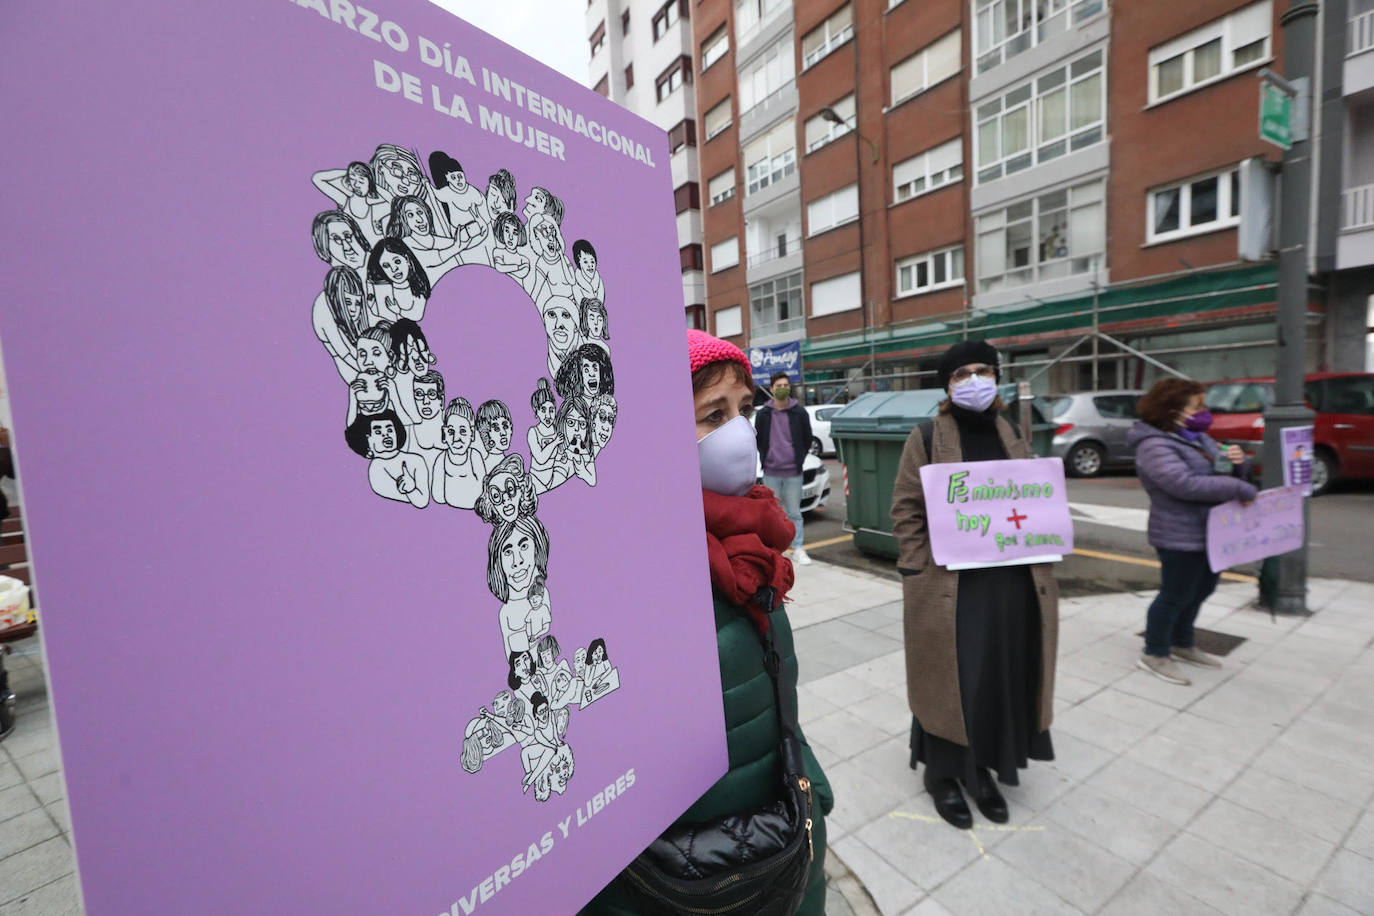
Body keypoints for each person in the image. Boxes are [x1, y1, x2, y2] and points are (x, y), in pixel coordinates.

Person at [580, 330, 832, 916]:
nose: (740, 430)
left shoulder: (753, 543)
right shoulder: (623, 572)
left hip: (782, 855)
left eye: (745, 409)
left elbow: (773, 699)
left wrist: (812, 789)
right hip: (690, 888)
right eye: (711, 413)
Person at [889, 339, 1059, 829]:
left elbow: (1032, 496)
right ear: (947, 384)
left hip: (1012, 582)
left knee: (997, 673)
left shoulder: (1012, 432)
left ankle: (981, 768)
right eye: (962, 373)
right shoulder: (926, 436)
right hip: (953, 587)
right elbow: (905, 508)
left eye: (983, 370)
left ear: (998, 376)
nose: (975, 380)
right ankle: (942, 774)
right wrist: (920, 563)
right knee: (951, 676)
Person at [1128, 379, 1256, 685]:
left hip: (1210, 531)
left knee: (1202, 589)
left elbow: (1217, 472)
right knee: (1175, 594)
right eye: (1196, 406)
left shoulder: (1197, 438)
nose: (1204, 412)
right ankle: (1155, 652)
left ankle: (1182, 642)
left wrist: (1239, 465)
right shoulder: (1153, 445)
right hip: (1178, 533)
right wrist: (1239, 487)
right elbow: (1183, 484)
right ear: (1172, 410)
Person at [754, 372, 814, 565]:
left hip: (793, 472)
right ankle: (776, 549)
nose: (782, 388)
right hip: (771, 472)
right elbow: (759, 440)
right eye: (778, 386)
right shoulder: (763, 414)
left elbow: (807, 439)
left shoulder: (799, 412)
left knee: (794, 512)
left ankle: (798, 548)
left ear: (790, 387)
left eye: (785, 385)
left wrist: (799, 459)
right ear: (771, 389)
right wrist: (768, 458)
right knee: (773, 513)